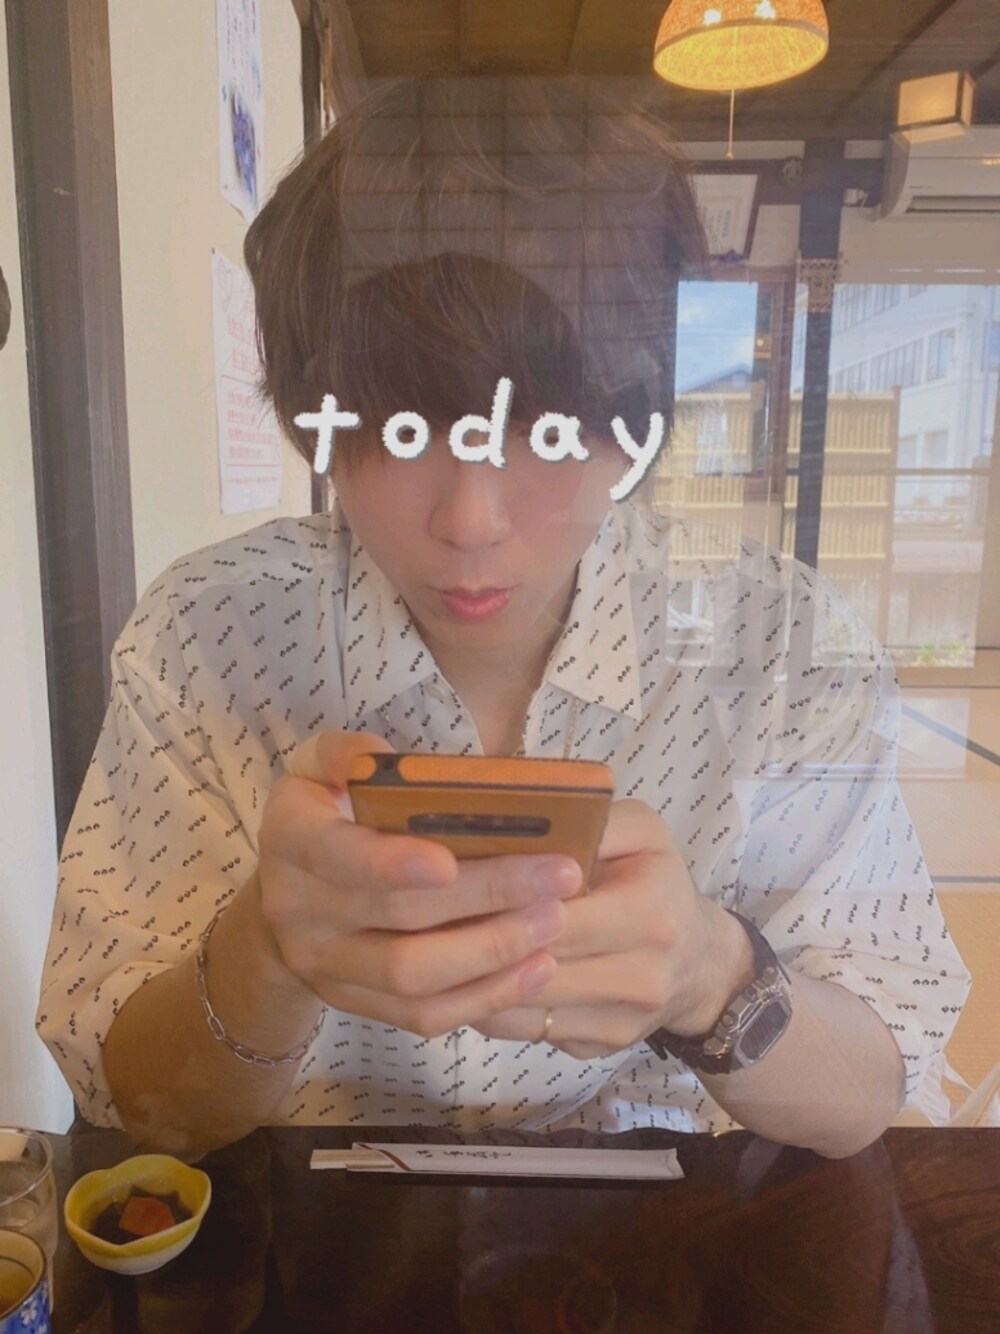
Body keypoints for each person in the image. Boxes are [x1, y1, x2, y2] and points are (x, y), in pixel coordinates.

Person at [37, 76, 969, 1161]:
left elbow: (867, 1094)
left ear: (640, 414)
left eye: (553, 425)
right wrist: (266, 948)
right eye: (394, 426)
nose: (470, 521)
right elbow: (138, 1107)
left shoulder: (778, 645)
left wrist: (708, 974)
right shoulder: (210, 635)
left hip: (659, 1219)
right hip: (310, 1218)